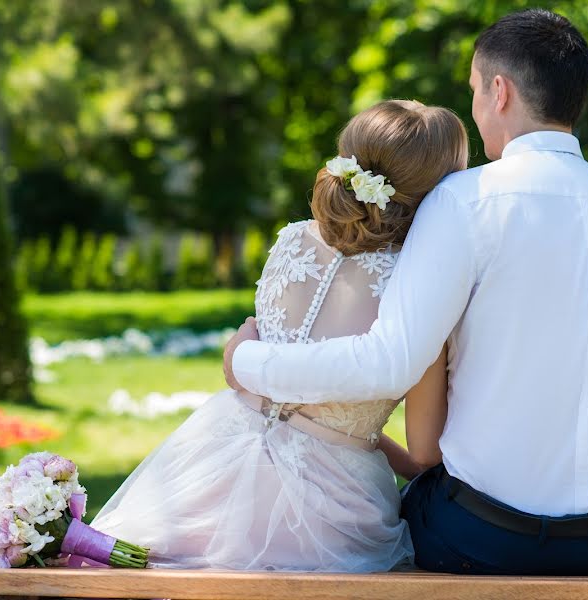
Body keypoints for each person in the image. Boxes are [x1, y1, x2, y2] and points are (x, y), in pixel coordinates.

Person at [224, 8, 588, 575]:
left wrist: (249, 362)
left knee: (395, 514)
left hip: (489, 537)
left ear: (499, 91)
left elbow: (388, 364)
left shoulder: (465, 200)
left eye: (473, 92)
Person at [90, 99, 469, 572]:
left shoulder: (291, 241)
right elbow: (423, 454)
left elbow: (266, 374)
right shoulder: (415, 290)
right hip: (329, 504)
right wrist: (363, 433)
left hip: (213, 458)